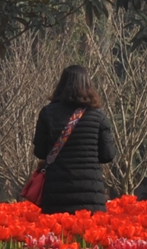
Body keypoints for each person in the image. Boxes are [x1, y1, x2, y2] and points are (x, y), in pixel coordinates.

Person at [30, 66, 117, 214]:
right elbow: (107, 155)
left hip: (57, 194)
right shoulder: (98, 116)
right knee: (88, 235)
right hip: (90, 194)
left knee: (59, 235)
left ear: (61, 85)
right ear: (88, 85)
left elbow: (40, 152)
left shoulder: (47, 113)